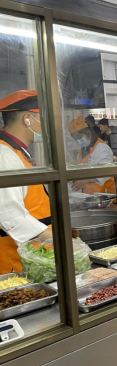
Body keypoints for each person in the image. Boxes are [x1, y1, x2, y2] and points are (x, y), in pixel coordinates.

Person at [0, 90, 53, 274]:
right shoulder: (4, 156)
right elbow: (10, 215)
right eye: (43, 118)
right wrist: (55, 238)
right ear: (27, 119)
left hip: (34, 253)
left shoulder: (17, 151)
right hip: (16, 259)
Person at [67, 114, 116, 195]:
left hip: (103, 195)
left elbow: (106, 173)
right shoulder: (83, 149)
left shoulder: (102, 148)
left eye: (79, 137)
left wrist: (85, 180)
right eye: (75, 139)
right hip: (87, 195)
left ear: (89, 133)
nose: (78, 140)